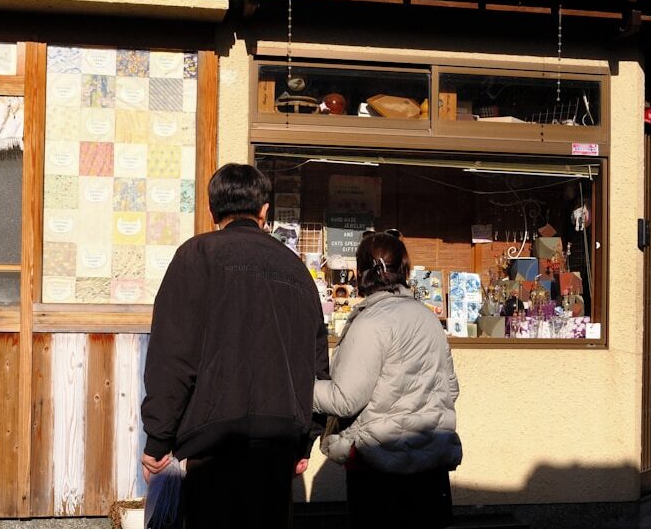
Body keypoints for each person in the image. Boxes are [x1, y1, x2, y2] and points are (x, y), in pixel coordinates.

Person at [140, 163, 330, 529]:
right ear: (264, 212)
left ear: (213, 212)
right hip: (278, 446)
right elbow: (317, 365)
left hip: (212, 447)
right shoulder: (295, 269)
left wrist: (157, 441)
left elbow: (172, 358)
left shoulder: (196, 256)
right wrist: (304, 442)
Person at [313, 232, 462, 529]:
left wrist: (296, 386)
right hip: (430, 463)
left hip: (380, 465)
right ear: (404, 269)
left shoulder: (371, 322)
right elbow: (452, 388)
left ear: (360, 272)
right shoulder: (428, 318)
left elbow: (345, 399)